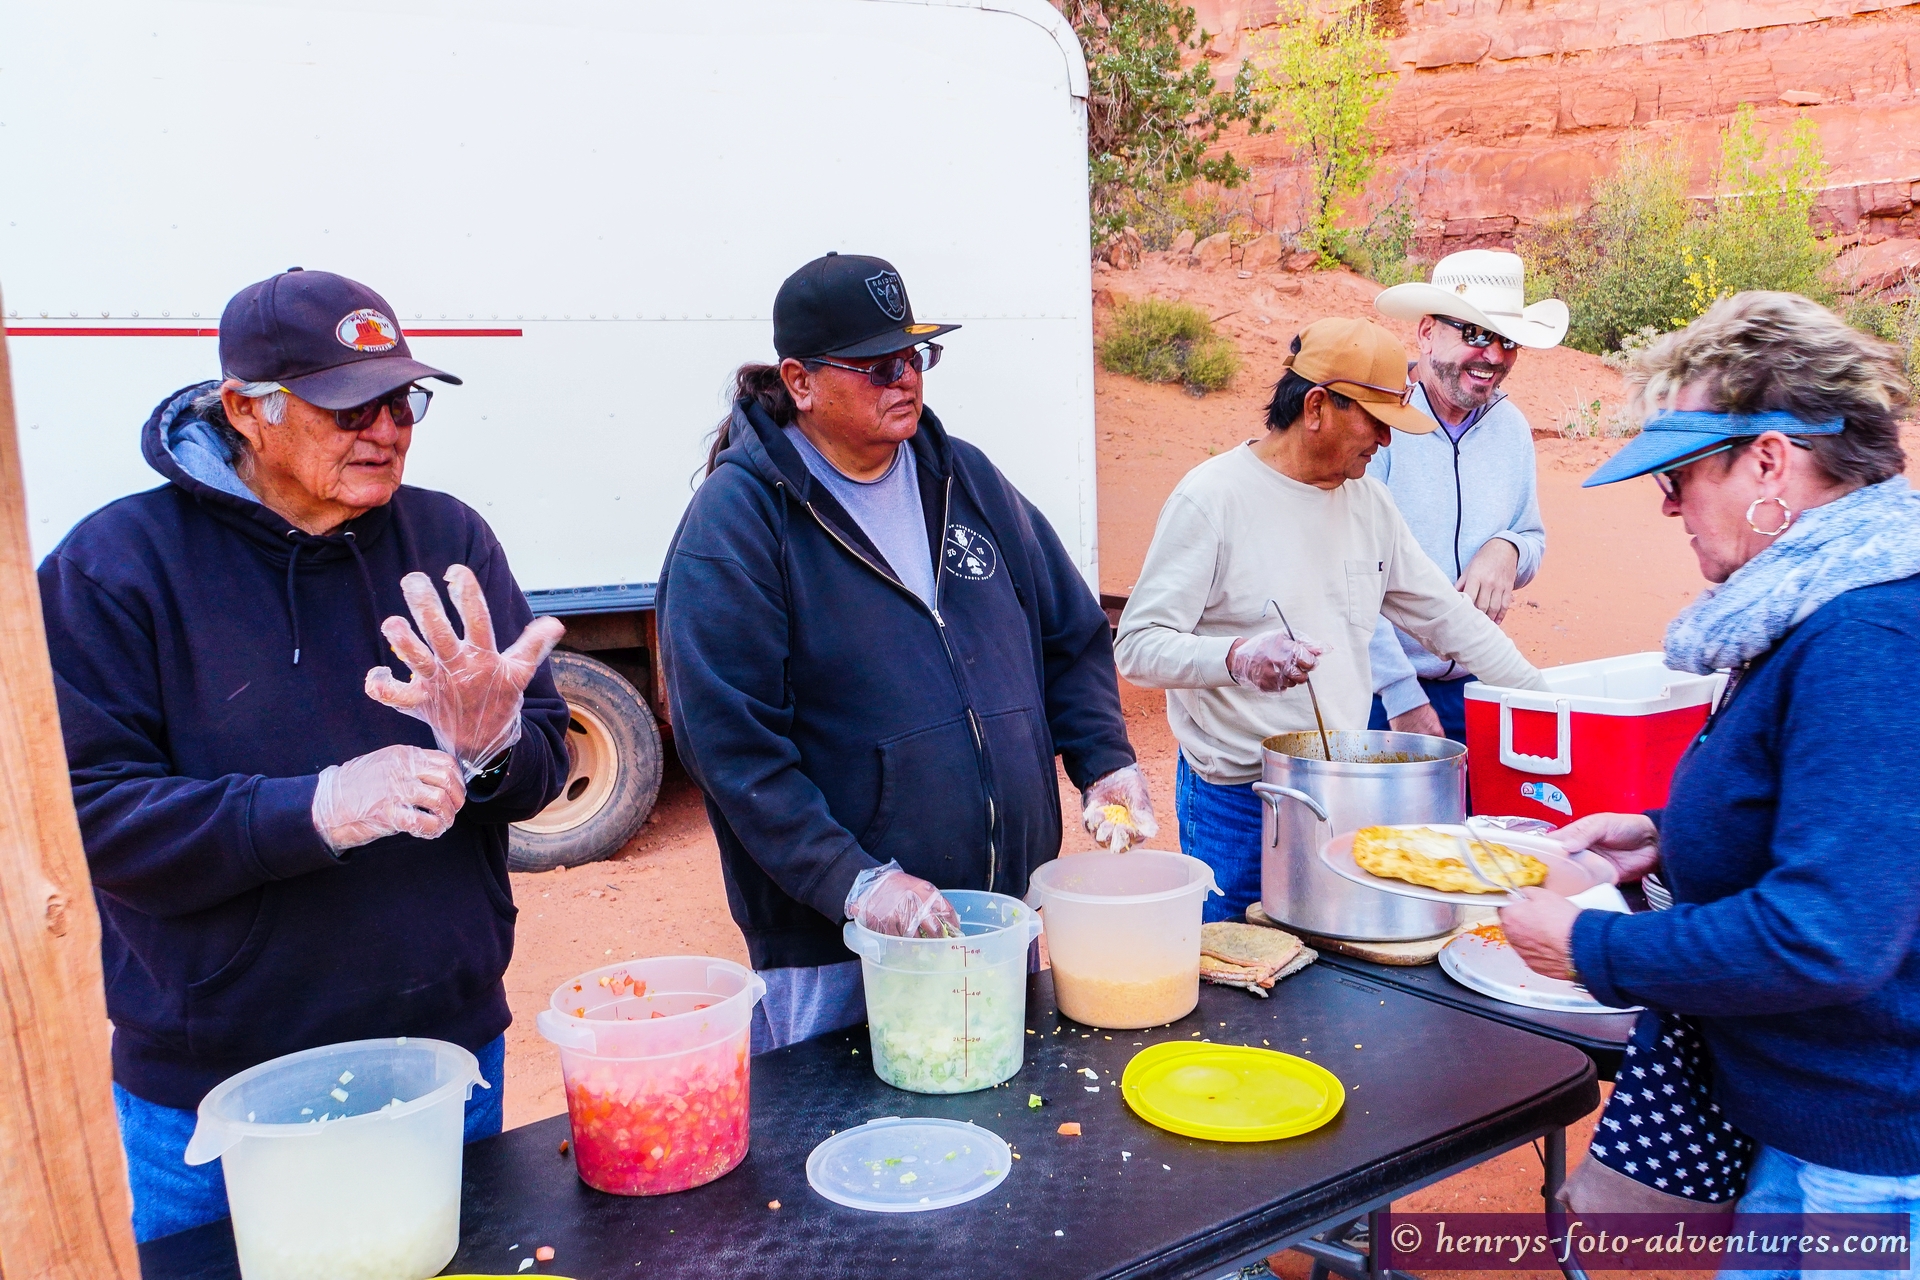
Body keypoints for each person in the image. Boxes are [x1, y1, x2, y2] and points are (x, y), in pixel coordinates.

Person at [39, 268, 570, 1243]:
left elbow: (536, 770)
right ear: (248, 409)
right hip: (220, 1093)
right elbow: (92, 820)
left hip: (445, 1055)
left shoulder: (448, 536)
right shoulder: (116, 567)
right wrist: (314, 807)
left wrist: (496, 745)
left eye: (401, 399)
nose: (386, 428)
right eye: (346, 405)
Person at [1499, 292, 1920, 1273]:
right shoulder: (1826, 602)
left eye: (1683, 474)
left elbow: (1831, 932)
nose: (1668, 503)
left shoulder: (1865, 634)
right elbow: (1847, 820)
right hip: (1813, 1124)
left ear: (1769, 462)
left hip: (1870, 1157)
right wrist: (1669, 835)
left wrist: (1591, 944)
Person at [658, 252, 1152, 1052]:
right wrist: (857, 884)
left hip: (997, 923)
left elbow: (1070, 632)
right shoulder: (739, 523)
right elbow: (731, 747)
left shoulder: (965, 480)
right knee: (860, 1158)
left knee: (1007, 1133)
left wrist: (1105, 760)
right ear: (801, 380)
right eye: (876, 364)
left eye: (915, 356)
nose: (905, 379)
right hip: (842, 951)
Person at [1114, 317, 1550, 921]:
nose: (1387, 442)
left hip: (1340, 785)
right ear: (1316, 406)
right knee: (1238, 976)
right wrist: (1237, 659)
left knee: (1328, 968)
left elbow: (1451, 619)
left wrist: (1549, 702)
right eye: (1375, 423)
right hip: (1240, 797)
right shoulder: (1212, 499)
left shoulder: (1369, 502)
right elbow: (1136, 648)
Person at [1366, 249, 1563, 743]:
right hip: (1377, 695)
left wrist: (1508, 548)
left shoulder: (1511, 428)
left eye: (1507, 340)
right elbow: (1348, 577)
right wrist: (1401, 696)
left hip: (1477, 685)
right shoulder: (1376, 425)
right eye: (1475, 334)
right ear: (1427, 332)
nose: (1494, 356)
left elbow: (1531, 537)